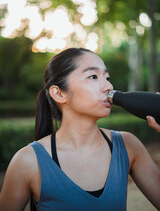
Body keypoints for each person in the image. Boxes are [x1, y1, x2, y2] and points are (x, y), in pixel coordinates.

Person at [0, 47, 160, 211]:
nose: (109, 86)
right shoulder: (27, 161)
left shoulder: (128, 145)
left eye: (107, 77)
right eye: (93, 76)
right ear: (59, 94)